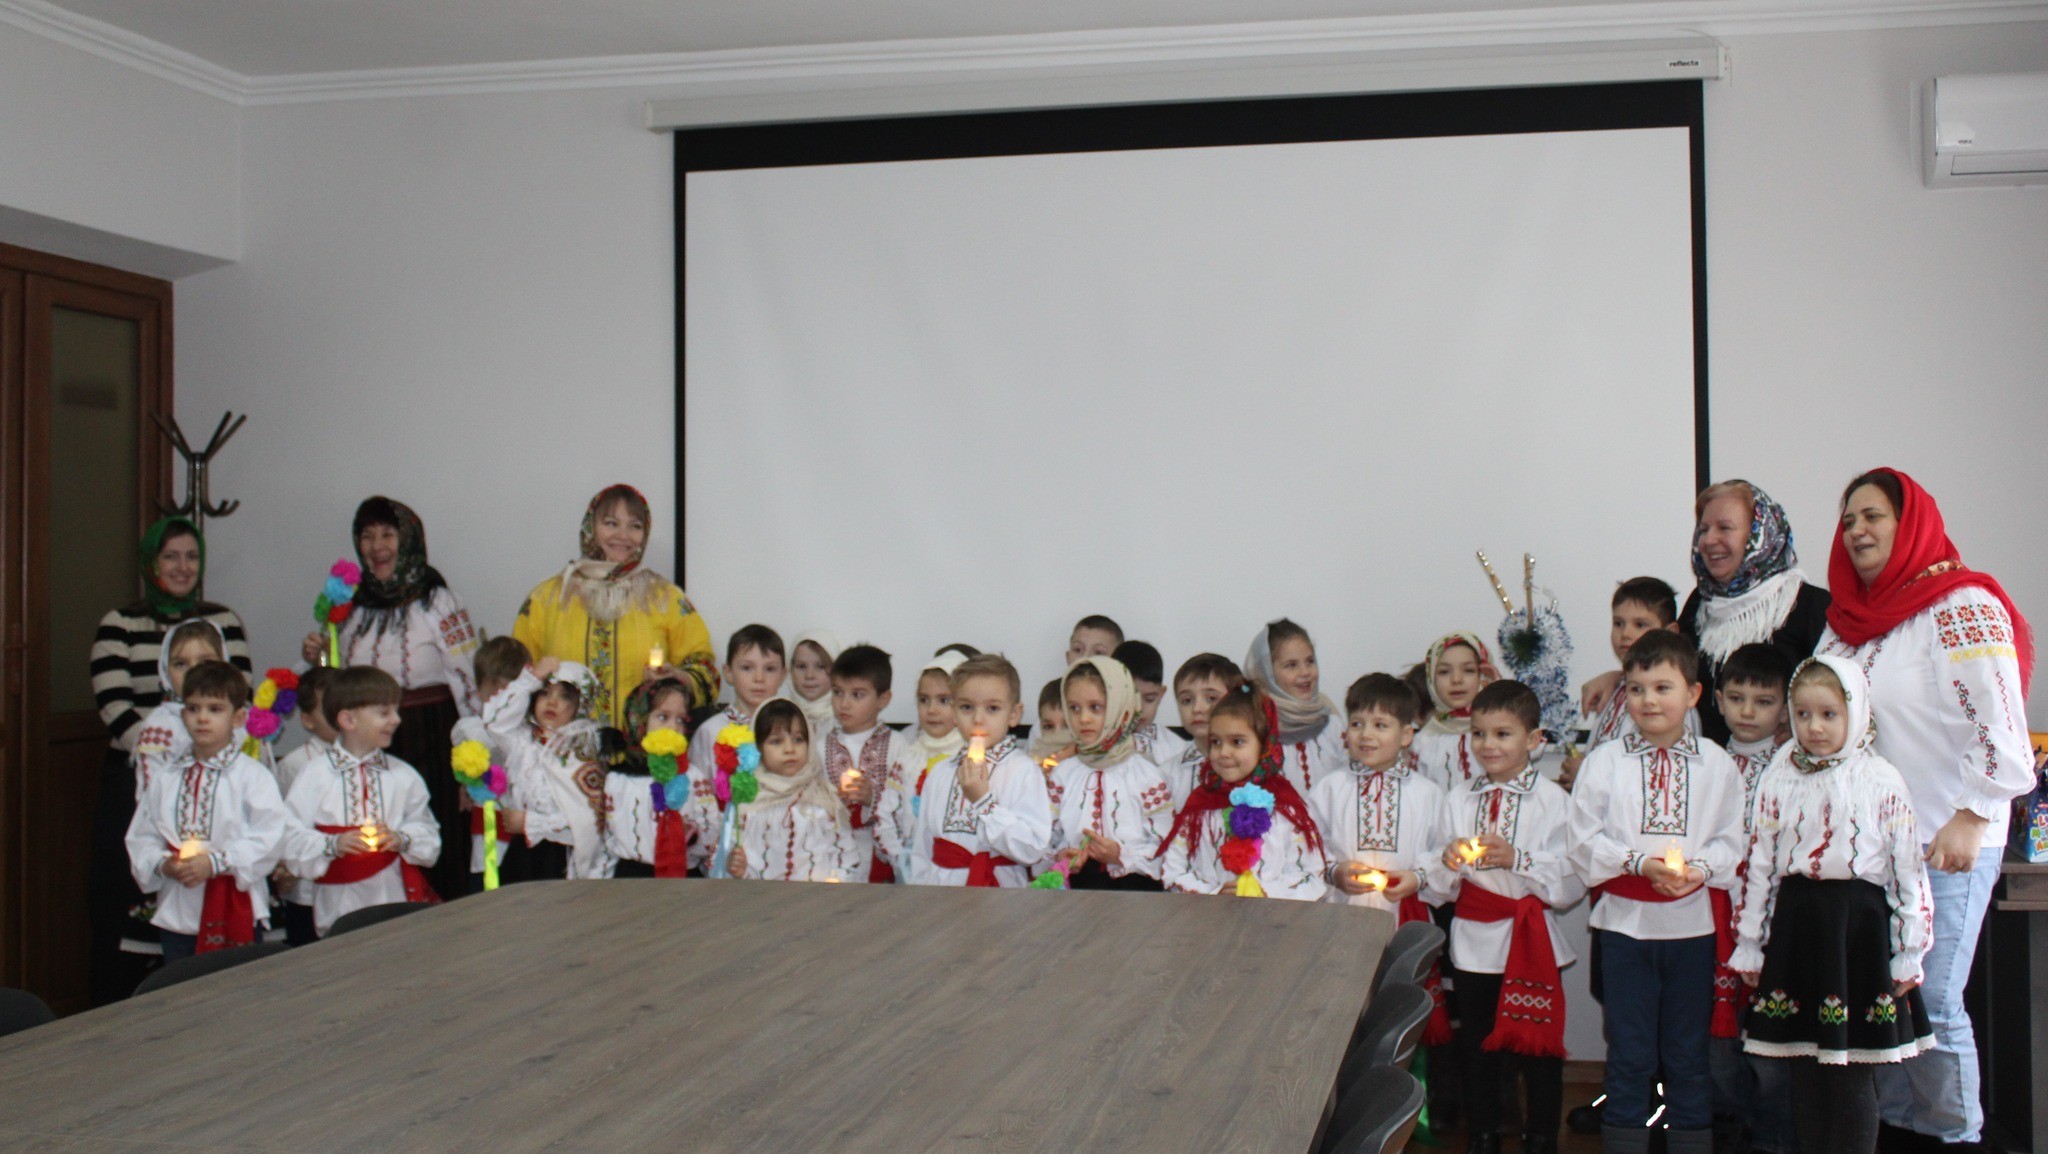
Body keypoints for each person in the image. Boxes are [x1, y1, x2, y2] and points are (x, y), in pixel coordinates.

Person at [1815, 468, 2033, 1151]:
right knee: (1883, 1004)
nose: (1857, 531)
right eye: (1848, 520)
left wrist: (1972, 814)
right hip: (1869, 852)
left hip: (1949, 839)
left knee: (1931, 1000)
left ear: (1910, 523)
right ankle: (1903, 1130)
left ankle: (1957, 1135)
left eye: (1873, 516)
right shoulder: (1845, 627)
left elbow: (2003, 729)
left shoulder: (1960, 603)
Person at [1731, 656, 1936, 1154]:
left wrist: (1910, 951)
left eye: (1829, 714)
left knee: (1850, 1074)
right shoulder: (1780, 776)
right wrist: (1751, 943)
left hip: (1855, 934)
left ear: (1855, 713)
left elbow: (1907, 872)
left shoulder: (1880, 779)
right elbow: (1760, 865)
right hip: (1799, 928)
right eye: (1802, 715)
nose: (1815, 727)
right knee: (1803, 1066)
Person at [1566, 631, 1745, 1154]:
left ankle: (1690, 1140)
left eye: (1663, 687)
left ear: (1693, 693)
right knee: (1629, 1051)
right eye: (1637, 688)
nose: (1648, 700)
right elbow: (1582, 841)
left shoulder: (1717, 763)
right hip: (1624, 929)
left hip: (1691, 931)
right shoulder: (1605, 762)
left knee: (1687, 1052)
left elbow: (1731, 840)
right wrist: (1639, 864)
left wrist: (1699, 870)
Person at [87, 516, 252, 1003]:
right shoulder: (121, 623)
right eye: (171, 556)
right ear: (151, 564)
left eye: (192, 556)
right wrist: (174, 754)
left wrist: (208, 751)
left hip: (216, 778)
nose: (183, 566)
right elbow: (114, 705)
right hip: (143, 778)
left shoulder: (223, 621)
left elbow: (235, 694)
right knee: (128, 908)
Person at [299, 497, 480, 901]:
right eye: (367, 536)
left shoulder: (437, 600)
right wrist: (319, 656)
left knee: (433, 838)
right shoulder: (351, 604)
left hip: (431, 736)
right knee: (372, 835)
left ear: (408, 539)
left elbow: (467, 681)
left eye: (387, 534)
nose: (377, 546)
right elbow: (339, 679)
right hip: (367, 741)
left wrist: (473, 765)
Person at [1434, 679, 1584, 1154]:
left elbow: (1570, 881)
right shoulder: (1459, 798)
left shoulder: (1553, 802)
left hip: (1530, 941)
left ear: (1534, 739)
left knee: (1537, 1049)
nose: (1488, 745)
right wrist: (1448, 861)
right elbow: (1438, 885)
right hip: (1474, 942)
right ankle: (1483, 1133)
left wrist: (1518, 859)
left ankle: (1541, 1137)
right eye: (1479, 733)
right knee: (1479, 1047)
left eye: (1502, 734)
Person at [512, 483, 719, 730]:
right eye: (611, 523)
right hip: (560, 749)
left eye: (635, 526)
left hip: (643, 750)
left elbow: (706, 672)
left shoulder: (665, 599)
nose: (623, 535)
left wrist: (677, 678)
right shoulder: (547, 598)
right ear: (591, 527)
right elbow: (512, 675)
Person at [124, 662, 289, 963]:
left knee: (238, 985)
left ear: (238, 718)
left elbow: (270, 836)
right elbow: (142, 836)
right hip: (179, 914)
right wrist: (165, 865)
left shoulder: (252, 776)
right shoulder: (167, 777)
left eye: (215, 709)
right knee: (182, 987)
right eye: (193, 708)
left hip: (237, 909)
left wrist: (215, 863)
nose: (202, 718)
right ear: (182, 715)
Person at [1706, 642, 1798, 1154]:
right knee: (1717, 1037)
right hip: (1714, 917)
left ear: (1784, 707)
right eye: (1737, 698)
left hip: (1773, 923)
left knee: (1769, 1041)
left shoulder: (1793, 768)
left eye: (1763, 701)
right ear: (1718, 699)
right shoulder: (1705, 763)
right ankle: (1728, 1123)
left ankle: (1773, 1136)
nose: (1747, 712)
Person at [281, 667, 441, 937]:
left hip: (394, 898)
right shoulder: (315, 775)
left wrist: (401, 838)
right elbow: (289, 835)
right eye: (384, 712)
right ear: (348, 719)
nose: (396, 720)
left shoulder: (403, 775)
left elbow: (427, 831)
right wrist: (332, 844)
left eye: (396, 710)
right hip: (338, 908)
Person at [1682, 480, 1831, 744]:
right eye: (1703, 529)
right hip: (1711, 765)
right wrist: (1617, 679)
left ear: (1760, 534)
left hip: (1784, 765)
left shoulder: (1808, 604)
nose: (1708, 540)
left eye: (1724, 528)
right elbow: (1669, 668)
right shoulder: (1699, 604)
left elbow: (1834, 695)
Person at [1158, 685, 1327, 901]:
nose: (1223, 752)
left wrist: (1267, 893)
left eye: (1237, 742)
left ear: (1264, 745)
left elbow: (1311, 875)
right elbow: (1173, 872)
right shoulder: (1199, 808)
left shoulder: (1287, 809)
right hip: (1208, 917)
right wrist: (1213, 894)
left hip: (1274, 918)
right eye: (1216, 742)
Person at [902, 654, 1052, 887]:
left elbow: (1032, 849)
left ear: (1014, 714)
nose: (978, 719)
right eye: (967, 707)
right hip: (940, 893)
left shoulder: (1023, 771)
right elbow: (923, 849)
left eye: (992, 708)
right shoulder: (941, 772)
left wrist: (984, 803)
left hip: (1000, 892)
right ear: (954, 712)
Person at [1043, 657, 1173, 891]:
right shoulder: (1063, 773)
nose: (1083, 718)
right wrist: (1063, 855)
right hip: (1076, 890)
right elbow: (1046, 836)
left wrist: (1120, 855)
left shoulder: (1145, 775)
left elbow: (1166, 846)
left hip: (1136, 892)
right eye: (1074, 708)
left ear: (1120, 708)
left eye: (1095, 707)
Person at [722, 699, 862, 883]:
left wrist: (835, 885)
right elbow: (728, 861)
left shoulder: (826, 801)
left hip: (818, 898)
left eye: (798, 739)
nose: (789, 749)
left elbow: (846, 859)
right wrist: (738, 870)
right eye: (776, 741)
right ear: (757, 748)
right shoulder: (747, 804)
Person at [1562, 577, 1682, 788]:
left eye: (1640, 625)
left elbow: (1663, 777)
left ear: (1670, 632)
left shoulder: (1674, 701)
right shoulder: (1614, 689)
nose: (1626, 634)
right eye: (1618, 623)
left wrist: (1586, 773)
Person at [605, 677, 723, 878]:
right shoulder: (619, 778)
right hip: (631, 878)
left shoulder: (692, 776)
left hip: (683, 874)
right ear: (639, 721)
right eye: (663, 717)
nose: (673, 727)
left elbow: (712, 831)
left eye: (680, 720)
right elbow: (607, 837)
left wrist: (691, 834)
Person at [875, 651, 970, 882]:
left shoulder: (972, 758)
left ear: (965, 705)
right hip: (911, 873)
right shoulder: (908, 759)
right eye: (924, 700)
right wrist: (901, 859)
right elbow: (885, 813)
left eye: (944, 700)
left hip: (961, 873)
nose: (931, 710)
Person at [821, 644, 905, 881]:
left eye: (857, 695)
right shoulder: (819, 746)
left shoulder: (898, 745)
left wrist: (873, 798)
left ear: (883, 699)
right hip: (832, 854)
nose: (844, 704)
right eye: (837, 692)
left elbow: (905, 805)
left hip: (881, 856)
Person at [269, 665, 338, 945]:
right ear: (308, 720)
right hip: (308, 891)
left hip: (355, 884)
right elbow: (282, 825)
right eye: (329, 708)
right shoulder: (295, 765)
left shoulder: (373, 759)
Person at [1243, 619, 1346, 795]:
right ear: (1267, 673)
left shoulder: (1332, 725)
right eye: (1291, 665)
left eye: (1310, 661)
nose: (1305, 672)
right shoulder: (1255, 727)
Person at [689, 625, 786, 780]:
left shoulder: (791, 728)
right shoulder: (710, 732)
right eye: (747, 668)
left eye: (769, 669)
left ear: (783, 675)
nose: (759, 678)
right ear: (728, 672)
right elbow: (697, 786)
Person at [1411, 632, 1500, 795]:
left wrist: (1500, 698)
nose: (1457, 680)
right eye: (1444, 672)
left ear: (1483, 675)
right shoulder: (1422, 743)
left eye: (1469, 670)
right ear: (1431, 679)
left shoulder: (1499, 734)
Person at [1166, 653, 1240, 809]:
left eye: (1211, 698)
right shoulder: (1167, 774)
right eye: (1187, 700)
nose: (1197, 709)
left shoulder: (1251, 765)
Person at [1112, 640, 1190, 770]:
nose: (1139, 708)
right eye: (1130, 699)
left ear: (1160, 695)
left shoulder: (1176, 748)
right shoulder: (1092, 743)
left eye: (1149, 699)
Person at [780, 630, 841, 738]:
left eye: (820, 666)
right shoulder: (778, 715)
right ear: (790, 670)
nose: (809, 675)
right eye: (801, 666)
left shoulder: (847, 718)